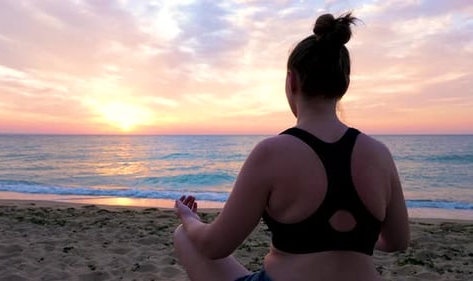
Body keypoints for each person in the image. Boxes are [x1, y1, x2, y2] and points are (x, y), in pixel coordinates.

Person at [173, 12, 409, 281]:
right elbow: (397, 241)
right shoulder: (379, 154)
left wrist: (189, 219)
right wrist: (349, 239)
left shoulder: (271, 153)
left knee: (186, 237)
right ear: (344, 85)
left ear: (292, 80)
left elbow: (214, 246)